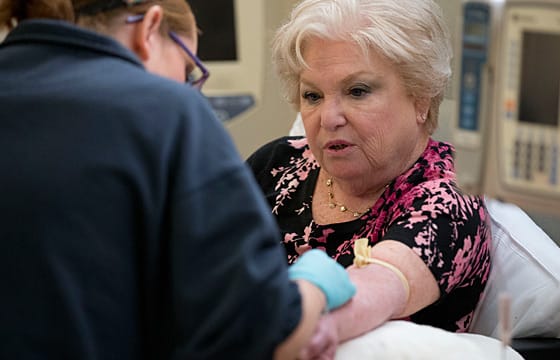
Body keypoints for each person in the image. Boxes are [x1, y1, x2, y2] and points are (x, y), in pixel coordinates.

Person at [0, 1, 356, 359]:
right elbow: (261, 333)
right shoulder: (166, 114)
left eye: (358, 91)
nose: (190, 89)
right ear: (149, 28)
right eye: (188, 71)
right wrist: (315, 284)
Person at [247, 0, 492, 357]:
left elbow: (380, 286)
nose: (329, 118)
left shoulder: (448, 195)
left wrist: (304, 326)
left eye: (357, 91)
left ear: (420, 97)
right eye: (312, 95)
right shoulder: (277, 165)